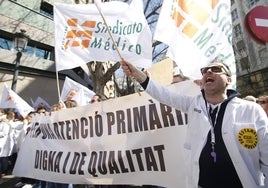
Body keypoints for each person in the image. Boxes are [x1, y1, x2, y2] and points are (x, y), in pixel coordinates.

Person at [120, 59, 268, 187]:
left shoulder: (252, 110)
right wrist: (138, 75)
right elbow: (164, 95)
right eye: (204, 71)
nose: (209, 71)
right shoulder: (193, 105)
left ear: (229, 80)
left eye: (216, 69)